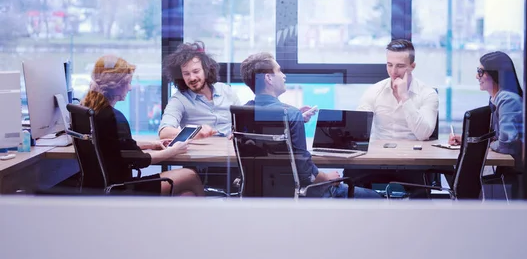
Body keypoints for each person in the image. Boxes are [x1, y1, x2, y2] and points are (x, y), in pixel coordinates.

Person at [240, 52, 380, 199]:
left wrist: (297, 120)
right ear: (268, 78)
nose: (284, 75)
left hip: (263, 193)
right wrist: (327, 177)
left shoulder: (243, 113)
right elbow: (305, 173)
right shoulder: (290, 114)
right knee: (375, 197)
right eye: (279, 70)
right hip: (302, 193)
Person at [81, 55, 204, 196]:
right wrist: (174, 150)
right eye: (128, 83)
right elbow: (140, 160)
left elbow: (113, 145)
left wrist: (152, 144)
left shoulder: (90, 109)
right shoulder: (113, 117)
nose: (130, 88)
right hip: (122, 189)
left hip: (99, 187)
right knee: (190, 176)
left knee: (187, 194)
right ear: (115, 86)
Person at [448, 51, 527, 199]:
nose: (477, 76)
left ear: (496, 74)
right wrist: (466, 139)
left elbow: (506, 144)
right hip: (516, 173)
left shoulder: (507, 100)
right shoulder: (497, 98)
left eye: (480, 72)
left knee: (467, 184)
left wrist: (487, 145)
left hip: (525, 177)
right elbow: (500, 136)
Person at [356, 39, 439, 141]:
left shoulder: (427, 93)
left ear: (412, 66)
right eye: (390, 65)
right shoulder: (374, 91)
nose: (393, 71)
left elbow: (423, 134)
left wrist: (405, 97)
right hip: (381, 153)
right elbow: (359, 129)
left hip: (414, 153)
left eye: (400, 66)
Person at [159, 41, 241, 140]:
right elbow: (164, 132)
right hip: (201, 152)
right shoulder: (179, 99)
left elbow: (244, 123)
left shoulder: (226, 90)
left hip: (231, 150)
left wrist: (239, 133)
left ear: (206, 70)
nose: (192, 78)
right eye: (186, 74)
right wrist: (194, 133)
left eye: (196, 71)